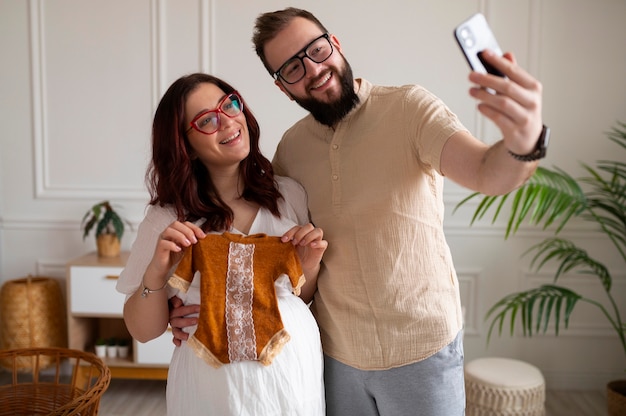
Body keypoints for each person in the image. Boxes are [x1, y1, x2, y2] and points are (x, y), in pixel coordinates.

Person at [171, 7, 548, 415]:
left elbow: (487, 173)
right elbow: (259, 241)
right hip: (336, 359)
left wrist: (526, 140)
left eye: (316, 50)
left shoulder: (410, 108)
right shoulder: (291, 151)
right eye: (292, 68)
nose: (313, 69)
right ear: (282, 88)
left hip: (422, 351)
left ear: (335, 44)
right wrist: (184, 302)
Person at [116, 72, 327, 416]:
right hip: (210, 384)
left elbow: (299, 295)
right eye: (207, 121)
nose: (228, 121)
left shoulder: (288, 195)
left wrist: (310, 263)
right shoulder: (167, 217)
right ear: (186, 147)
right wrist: (156, 272)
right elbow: (142, 331)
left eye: (229, 104)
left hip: (292, 373)